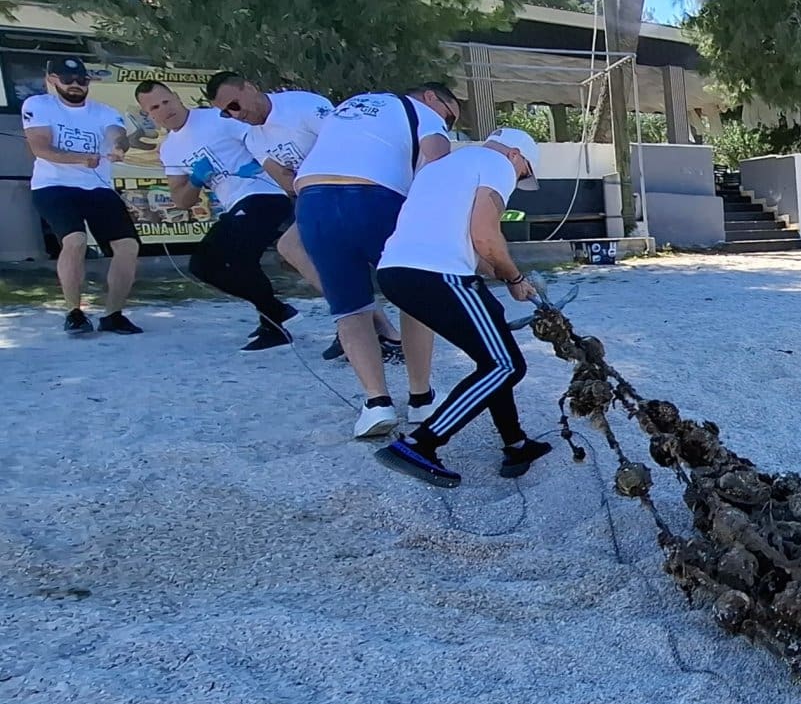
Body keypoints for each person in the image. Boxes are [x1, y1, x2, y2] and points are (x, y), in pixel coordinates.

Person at [373, 128, 552, 488]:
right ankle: (420, 444)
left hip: (397, 271)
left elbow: (471, 244)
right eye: (524, 173)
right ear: (516, 155)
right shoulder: (496, 164)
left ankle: (515, 443)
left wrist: (503, 274)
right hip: (439, 274)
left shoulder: (443, 166)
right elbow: (485, 235)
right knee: (506, 365)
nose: (518, 180)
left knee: (494, 343)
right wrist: (516, 280)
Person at [293, 82, 460, 437]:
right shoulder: (421, 110)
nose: (446, 122)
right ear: (432, 98)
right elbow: (438, 155)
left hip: (312, 200)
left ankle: (376, 403)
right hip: (373, 198)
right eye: (450, 115)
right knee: (415, 296)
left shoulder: (349, 106)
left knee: (349, 307)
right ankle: (421, 397)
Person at [203, 71, 403, 360]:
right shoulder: (254, 139)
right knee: (290, 245)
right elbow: (286, 182)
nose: (235, 115)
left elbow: (353, 141)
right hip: (317, 197)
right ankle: (372, 323)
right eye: (225, 114)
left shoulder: (303, 107)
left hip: (357, 185)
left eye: (233, 105)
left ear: (249, 88)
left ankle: (377, 323)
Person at [136, 80, 299, 351]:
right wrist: (196, 181)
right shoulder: (170, 149)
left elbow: (261, 136)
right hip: (235, 203)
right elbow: (181, 200)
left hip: (264, 192)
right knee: (202, 266)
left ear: (177, 97)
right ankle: (274, 310)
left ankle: (274, 323)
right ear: (148, 114)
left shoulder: (216, 119)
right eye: (155, 107)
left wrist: (258, 162)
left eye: (167, 101)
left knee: (238, 257)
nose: (165, 109)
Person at [22, 57, 141, 335]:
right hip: (53, 186)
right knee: (74, 240)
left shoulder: (104, 111)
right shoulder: (38, 105)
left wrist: (117, 146)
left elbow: (117, 134)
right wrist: (79, 158)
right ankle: (74, 312)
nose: (75, 85)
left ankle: (113, 314)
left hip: (98, 187)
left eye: (81, 80)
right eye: (68, 79)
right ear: (52, 80)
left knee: (128, 247)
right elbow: (40, 148)